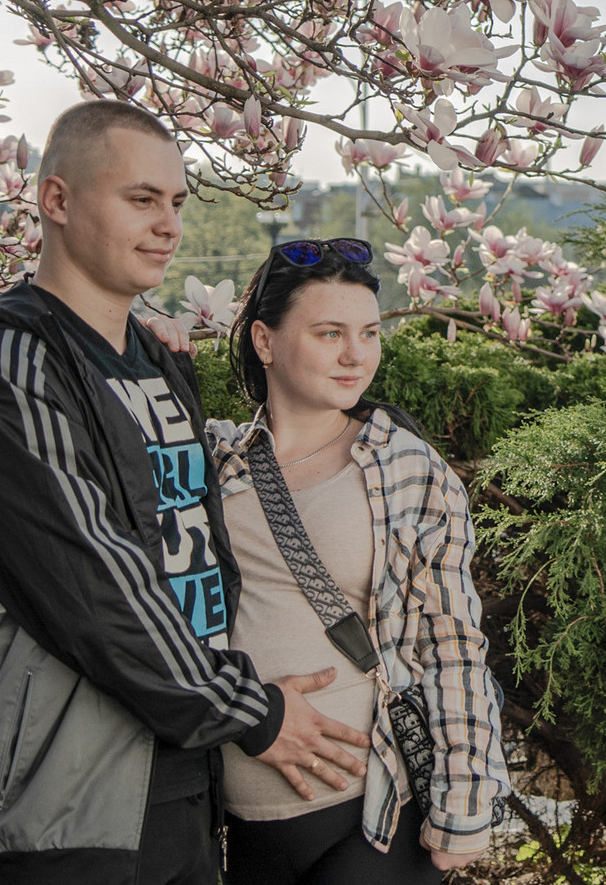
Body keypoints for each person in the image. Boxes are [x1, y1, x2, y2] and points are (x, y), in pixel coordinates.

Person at [0, 99, 372, 884]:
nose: (168, 225)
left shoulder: (154, 363)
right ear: (57, 200)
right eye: (141, 199)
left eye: (178, 203)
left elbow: (196, 547)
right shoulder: (6, 368)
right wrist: (251, 711)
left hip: (183, 775)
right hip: (62, 799)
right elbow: (94, 584)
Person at [207, 238, 512, 883]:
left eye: (369, 333)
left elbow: (451, 640)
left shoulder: (405, 467)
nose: (356, 355)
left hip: (370, 813)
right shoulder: (217, 462)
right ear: (265, 342)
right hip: (240, 819)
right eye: (329, 333)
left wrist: (464, 804)